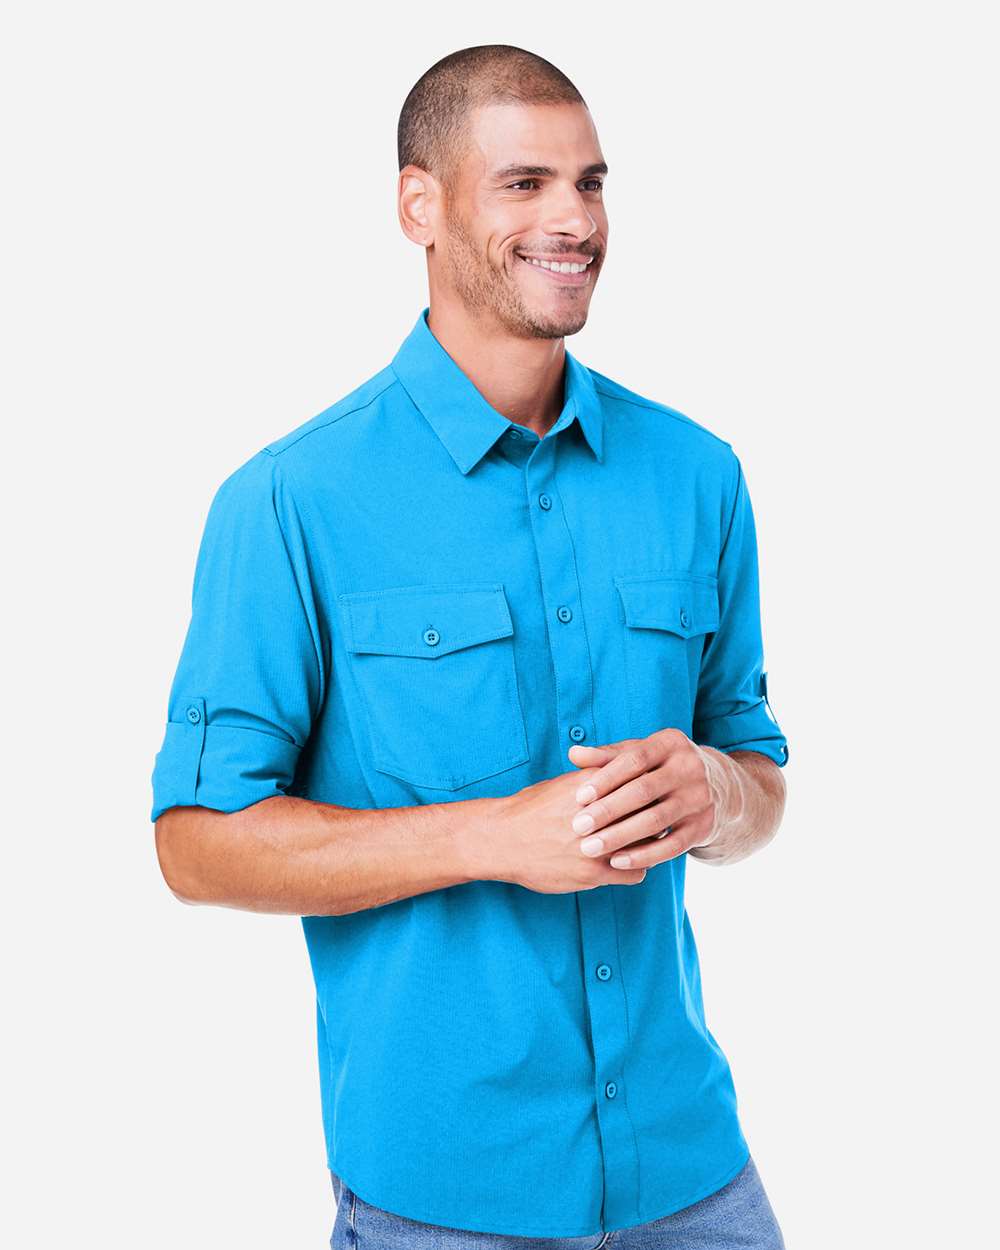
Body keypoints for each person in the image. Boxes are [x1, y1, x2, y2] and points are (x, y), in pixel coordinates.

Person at [151, 43, 789, 1249]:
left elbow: (758, 774)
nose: (574, 219)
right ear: (420, 205)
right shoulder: (292, 499)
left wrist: (715, 789)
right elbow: (194, 843)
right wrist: (489, 835)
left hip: (691, 1168)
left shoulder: (697, 474)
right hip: (446, 1198)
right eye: (524, 183)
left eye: (590, 182)